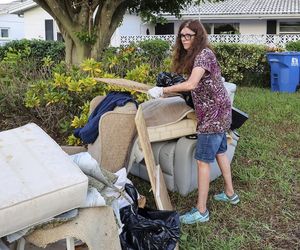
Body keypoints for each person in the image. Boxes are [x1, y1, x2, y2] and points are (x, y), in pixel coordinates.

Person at [148, 19, 240, 224]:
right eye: (182, 35)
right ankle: (230, 193)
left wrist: (162, 90)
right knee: (220, 151)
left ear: (198, 36)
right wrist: (165, 93)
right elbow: (193, 86)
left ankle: (201, 211)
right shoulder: (197, 55)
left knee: (202, 161)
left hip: (213, 115)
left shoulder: (204, 54)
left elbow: (191, 84)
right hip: (221, 111)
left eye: (189, 35)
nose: (185, 39)